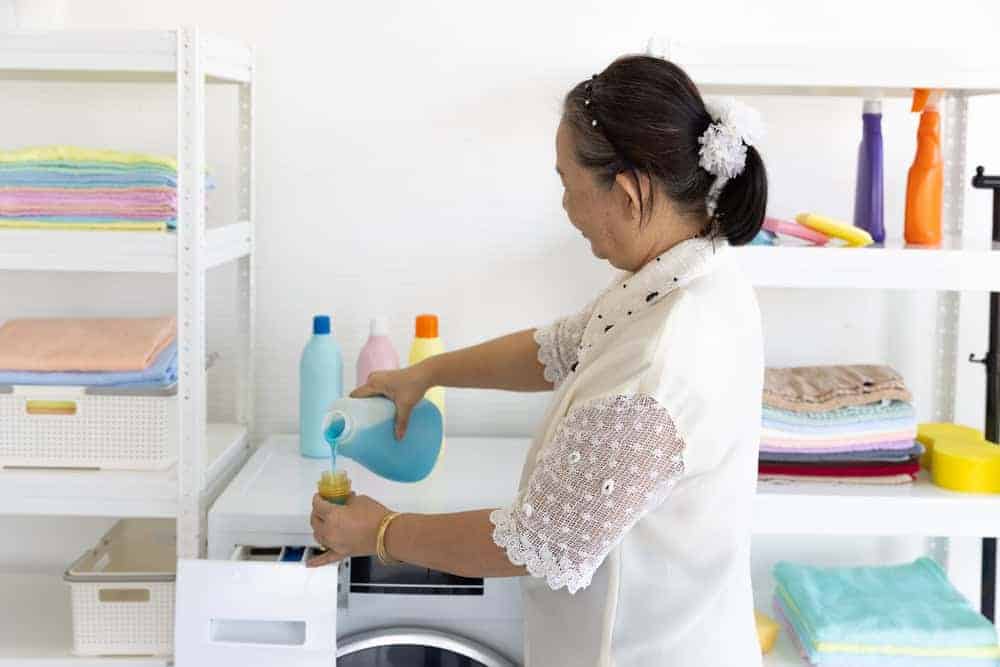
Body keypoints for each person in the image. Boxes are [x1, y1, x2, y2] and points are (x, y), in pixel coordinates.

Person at [309, 54, 767, 666]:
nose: (567, 210)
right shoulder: (689, 273)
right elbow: (563, 346)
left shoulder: (661, 364)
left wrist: (381, 532)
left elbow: (536, 540)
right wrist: (425, 373)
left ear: (629, 193)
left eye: (568, 186)